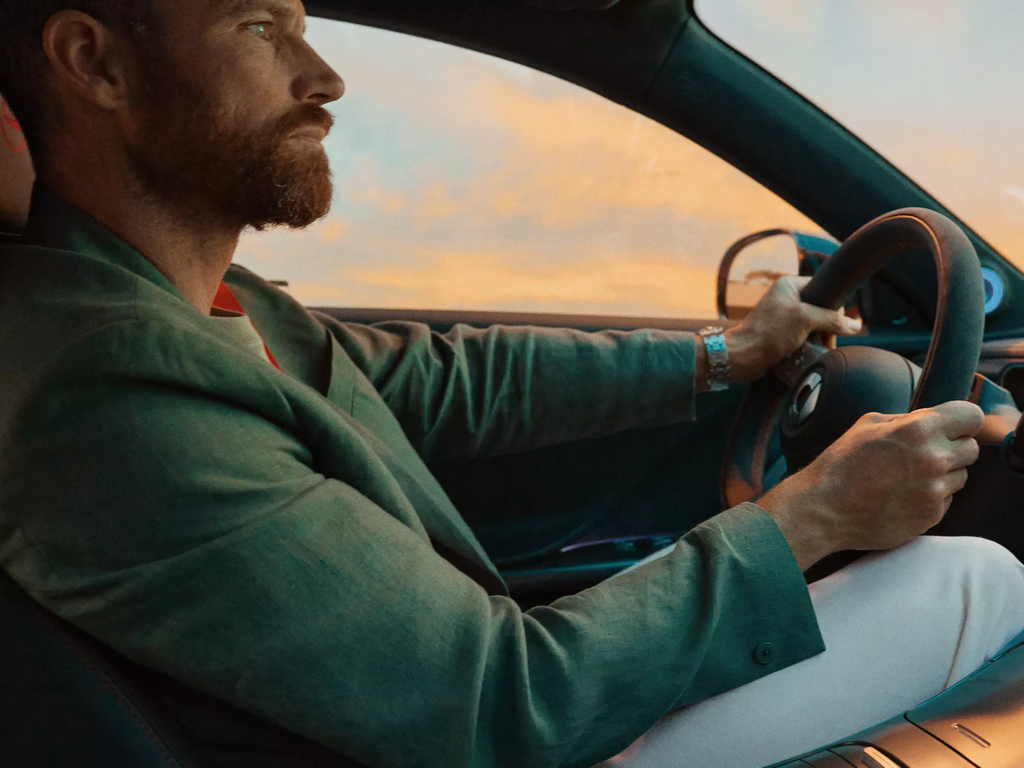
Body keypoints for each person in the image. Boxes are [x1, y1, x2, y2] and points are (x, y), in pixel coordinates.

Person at [0, 1, 1021, 767]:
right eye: (261, 29)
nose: (323, 76)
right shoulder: (104, 390)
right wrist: (814, 515)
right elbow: (498, 704)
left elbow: (445, 381)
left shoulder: (210, 307)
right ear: (95, 63)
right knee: (974, 579)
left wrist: (726, 357)